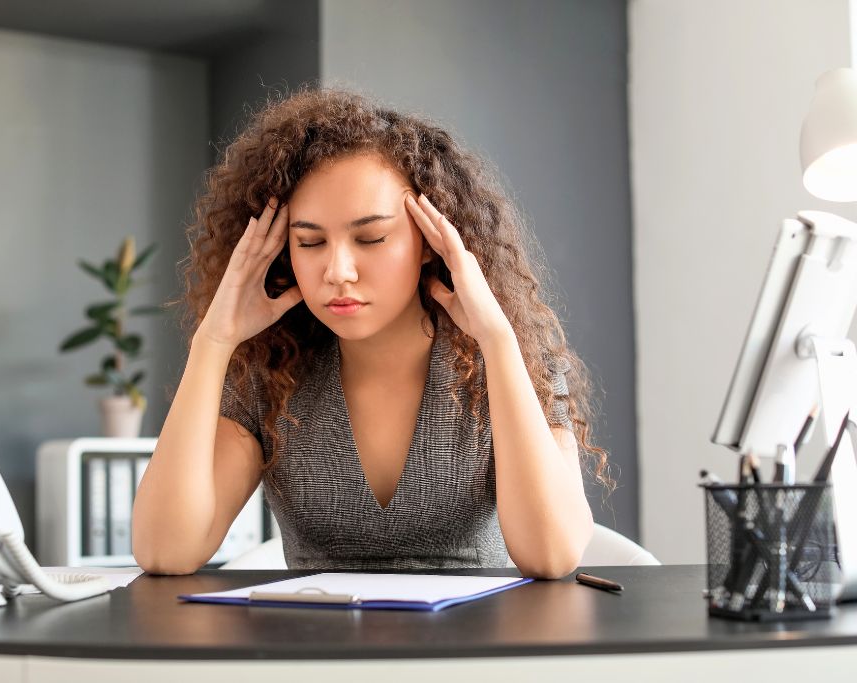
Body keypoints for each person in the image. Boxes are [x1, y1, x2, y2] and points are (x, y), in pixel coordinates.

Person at [132, 89, 611, 578]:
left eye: (371, 238)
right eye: (310, 242)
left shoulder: (511, 365)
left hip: (470, 650)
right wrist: (213, 343)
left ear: (430, 242)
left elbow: (552, 555)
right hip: (315, 649)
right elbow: (164, 551)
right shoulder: (269, 377)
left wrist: (499, 342)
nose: (338, 270)